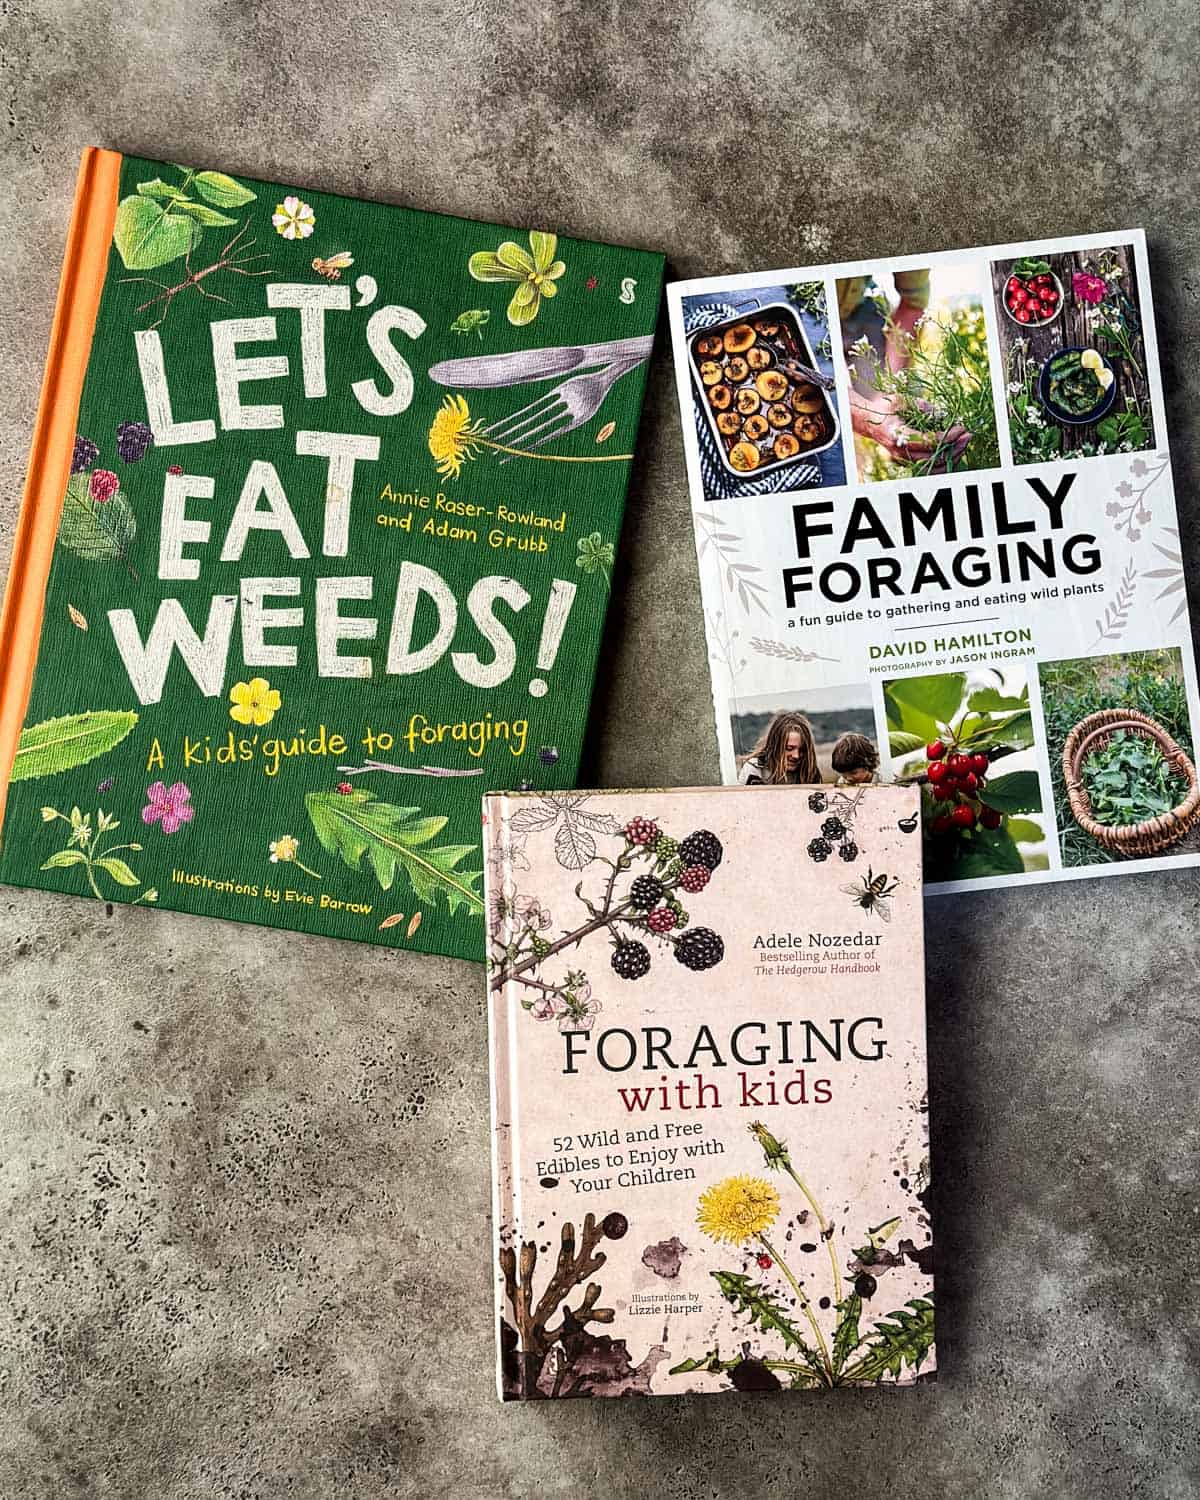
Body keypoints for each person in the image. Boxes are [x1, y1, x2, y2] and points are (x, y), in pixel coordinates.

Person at [837, 270, 971, 470]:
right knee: (840, 425)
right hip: (813, 319)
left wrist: (892, 388)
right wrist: (868, 420)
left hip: (860, 307)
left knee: (904, 402)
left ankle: (908, 456)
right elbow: (824, 379)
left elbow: (913, 304)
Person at [738, 711, 820, 785]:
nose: (796, 756)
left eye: (802, 750)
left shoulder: (810, 771)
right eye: (789, 748)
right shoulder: (755, 769)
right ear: (775, 746)